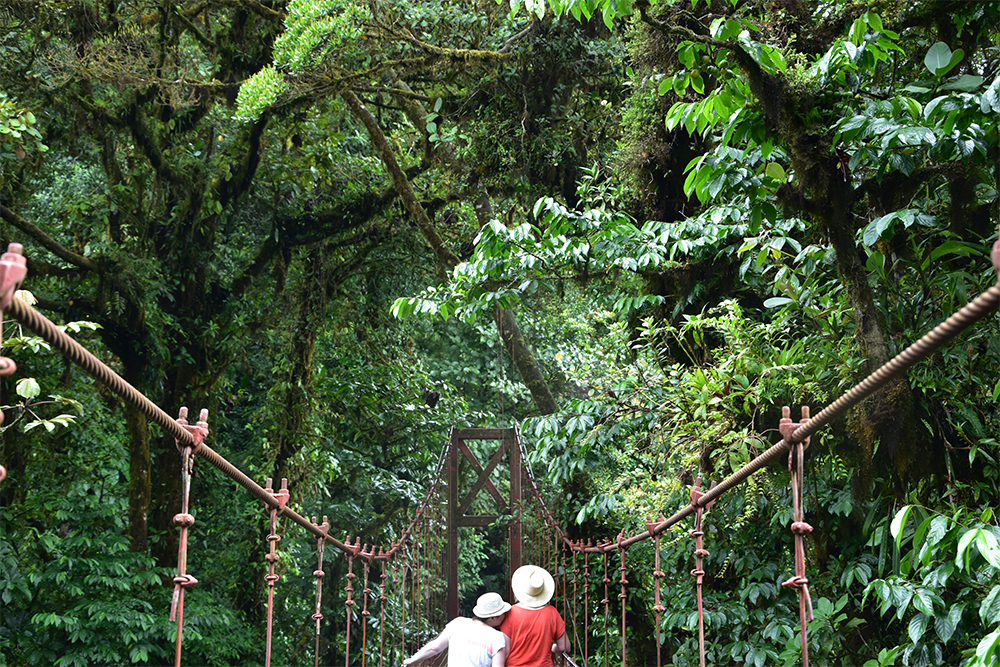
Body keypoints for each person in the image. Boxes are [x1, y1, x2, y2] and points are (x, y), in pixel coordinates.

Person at [403, 592, 511, 667]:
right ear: (492, 618)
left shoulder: (458, 623)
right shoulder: (497, 637)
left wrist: (412, 659)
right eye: (503, 613)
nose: (505, 616)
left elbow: (434, 648)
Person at [500, 565, 569, 667]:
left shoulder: (510, 613)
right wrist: (552, 647)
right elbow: (564, 647)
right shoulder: (552, 613)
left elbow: (505, 651)